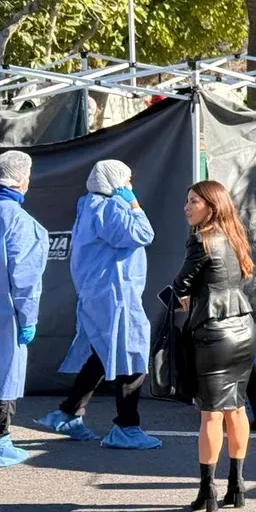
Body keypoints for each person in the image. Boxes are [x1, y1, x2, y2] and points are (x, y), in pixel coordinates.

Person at [35, 160, 161, 450]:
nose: (129, 185)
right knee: (132, 355)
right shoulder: (110, 208)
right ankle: (126, 427)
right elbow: (144, 234)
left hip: (98, 294)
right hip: (116, 294)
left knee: (102, 353)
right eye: (126, 180)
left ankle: (68, 413)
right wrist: (134, 205)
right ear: (115, 182)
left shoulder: (88, 206)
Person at [171, 181, 256, 511]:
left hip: (214, 333)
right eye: (187, 200)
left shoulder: (201, 240)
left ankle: (207, 492)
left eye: (194, 201)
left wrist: (185, 296)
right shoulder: (234, 235)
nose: (186, 207)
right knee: (236, 408)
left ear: (212, 205)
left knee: (210, 415)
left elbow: (181, 283)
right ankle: (237, 486)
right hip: (243, 329)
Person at [0, 152, 48, 468]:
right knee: (5, 376)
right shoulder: (19, 222)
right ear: (22, 180)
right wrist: (28, 319)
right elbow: (25, 279)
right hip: (6, 317)